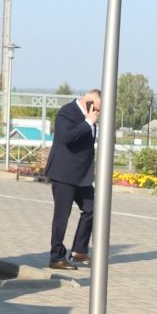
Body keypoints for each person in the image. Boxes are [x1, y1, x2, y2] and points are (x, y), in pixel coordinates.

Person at [44, 88, 100, 270]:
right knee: (62, 216)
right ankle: (56, 257)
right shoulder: (67, 112)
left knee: (93, 208)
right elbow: (66, 137)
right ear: (90, 102)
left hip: (81, 176)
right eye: (98, 109)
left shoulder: (92, 119)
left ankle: (79, 251)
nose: (99, 113)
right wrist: (87, 122)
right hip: (63, 174)